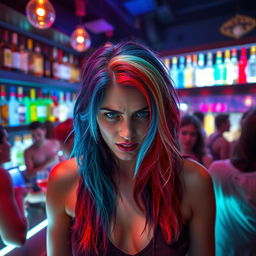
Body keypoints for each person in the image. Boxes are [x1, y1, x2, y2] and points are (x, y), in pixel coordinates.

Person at [46, 42, 215, 256]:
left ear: (161, 113)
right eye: (111, 115)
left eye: (142, 114)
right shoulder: (65, 180)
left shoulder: (194, 181)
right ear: (91, 115)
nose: (127, 132)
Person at [208, 108, 256, 256]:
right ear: (223, 124)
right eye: (228, 122)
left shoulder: (217, 169)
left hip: (219, 248)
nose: (230, 124)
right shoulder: (223, 142)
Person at [0, 125, 27, 246]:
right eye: (6, 140)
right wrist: (19, 196)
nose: (9, 145)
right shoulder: (1, 175)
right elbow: (16, 238)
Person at [24, 121, 60, 189]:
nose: (36, 138)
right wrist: (48, 163)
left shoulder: (56, 144)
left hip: (59, 183)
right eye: (33, 136)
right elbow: (30, 175)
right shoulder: (28, 152)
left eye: (38, 134)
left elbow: (65, 163)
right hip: (40, 187)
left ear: (44, 131)